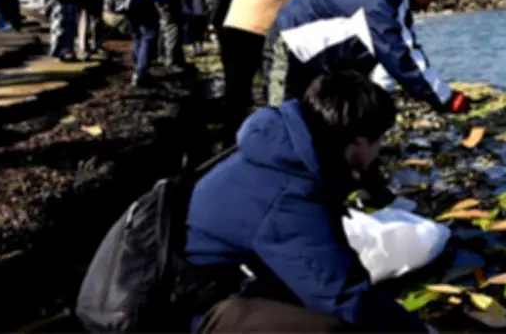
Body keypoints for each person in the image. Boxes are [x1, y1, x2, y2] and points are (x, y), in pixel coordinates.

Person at [185, 71, 432, 333]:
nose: (380, 150)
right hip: (194, 312)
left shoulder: (282, 152)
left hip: (222, 283)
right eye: (380, 140)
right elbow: (344, 297)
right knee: (334, 328)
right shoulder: (289, 195)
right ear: (358, 141)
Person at [263, 0, 470, 116]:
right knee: (282, 117)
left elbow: (398, 49)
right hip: (289, 44)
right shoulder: (380, 2)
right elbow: (400, 56)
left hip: (327, 57)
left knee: (322, 114)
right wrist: (446, 99)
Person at [219, 0, 340, 144]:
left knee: (236, 96)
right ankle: (278, 145)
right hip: (259, 29)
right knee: (277, 92)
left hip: (234, 25)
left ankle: (229, 149)